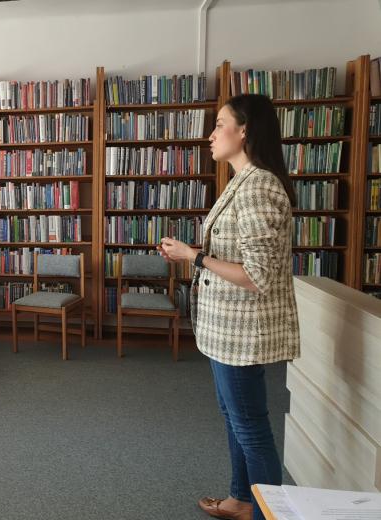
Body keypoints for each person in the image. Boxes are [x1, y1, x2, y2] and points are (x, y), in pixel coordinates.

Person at [159, 94, 300, 520]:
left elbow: (256, 275)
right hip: (226, 330)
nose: (211, 134)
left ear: (245, 131)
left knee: (252, 428)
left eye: (220, 124)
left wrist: (194, 257)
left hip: (243, 332)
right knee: (236, 418)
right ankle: (242, 500)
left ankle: (266, 515)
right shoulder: (242, 181)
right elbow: (242, 256)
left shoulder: (259, 186)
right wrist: (198, 252)